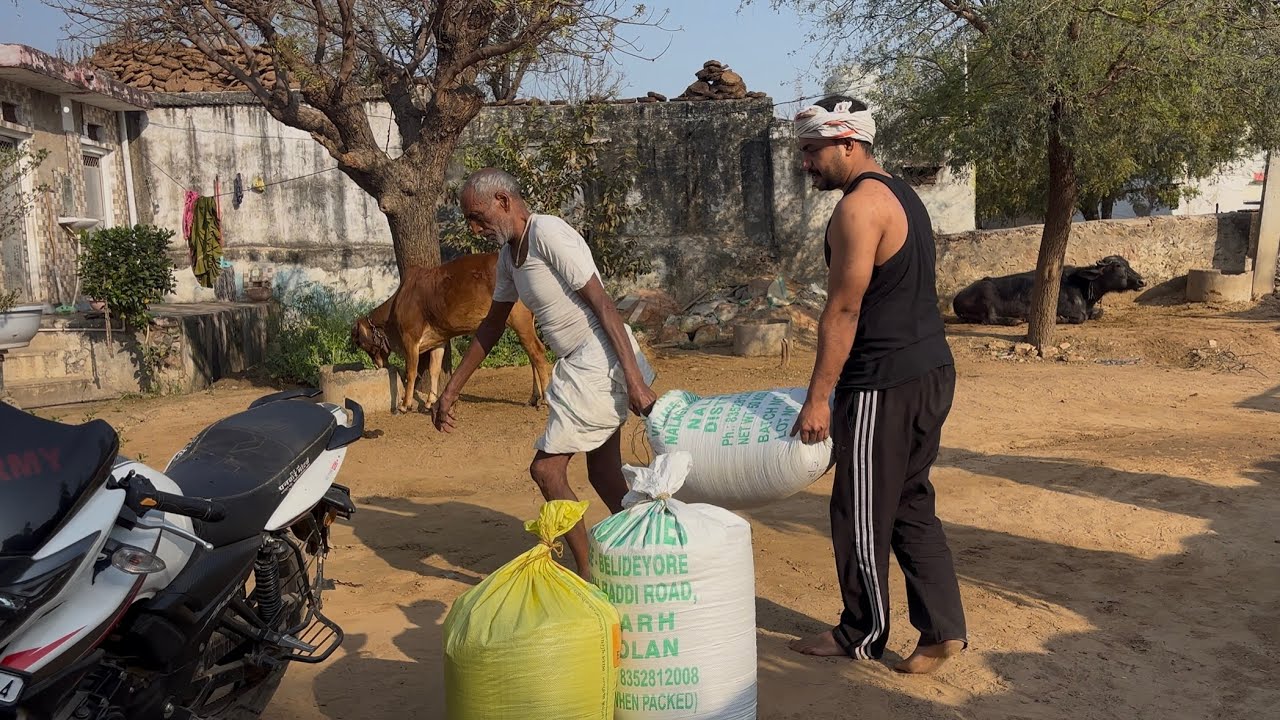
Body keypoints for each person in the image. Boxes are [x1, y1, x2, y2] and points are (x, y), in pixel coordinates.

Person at [786, 96, 968, 674]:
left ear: (848, 143)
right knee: (912, 502)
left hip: (884, 383)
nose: (807, 163)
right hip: (930, 370)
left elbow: (843, 309)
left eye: (813, 150)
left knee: (860, 512)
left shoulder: (857, 209)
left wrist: (819, 398)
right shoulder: (903, 195)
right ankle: (942, 634)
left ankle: (859, 634)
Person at [433, 167, 658, 580]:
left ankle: (590, 576)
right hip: (579, 364)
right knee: (603, 473)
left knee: (547, 470)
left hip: (599, 357)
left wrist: (634, 379)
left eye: (478, 216)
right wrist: (451, 390)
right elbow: (491, 326)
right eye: (469, 219)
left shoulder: (548, 233)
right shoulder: (509, 257)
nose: (474, 228)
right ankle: (651, 548)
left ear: (503, 200)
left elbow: (603, 303)